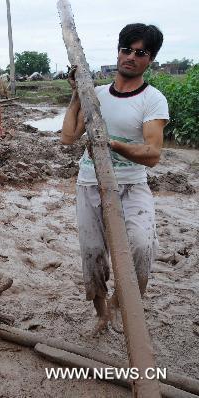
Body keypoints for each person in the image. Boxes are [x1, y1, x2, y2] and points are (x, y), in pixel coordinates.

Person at [60, 23, 169, 334]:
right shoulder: (94, 95)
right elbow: (68, 137)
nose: (131, 57)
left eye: (140, 53)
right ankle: (101, 312)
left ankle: (122, 305)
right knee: (92, 253)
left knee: (140, 246)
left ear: (151, 59)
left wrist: (112, 145)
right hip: (89, 183)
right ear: (118, 51)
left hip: (132, 185)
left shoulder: (153, 100)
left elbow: (152, 154)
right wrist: (76, 96)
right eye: (126, 49)